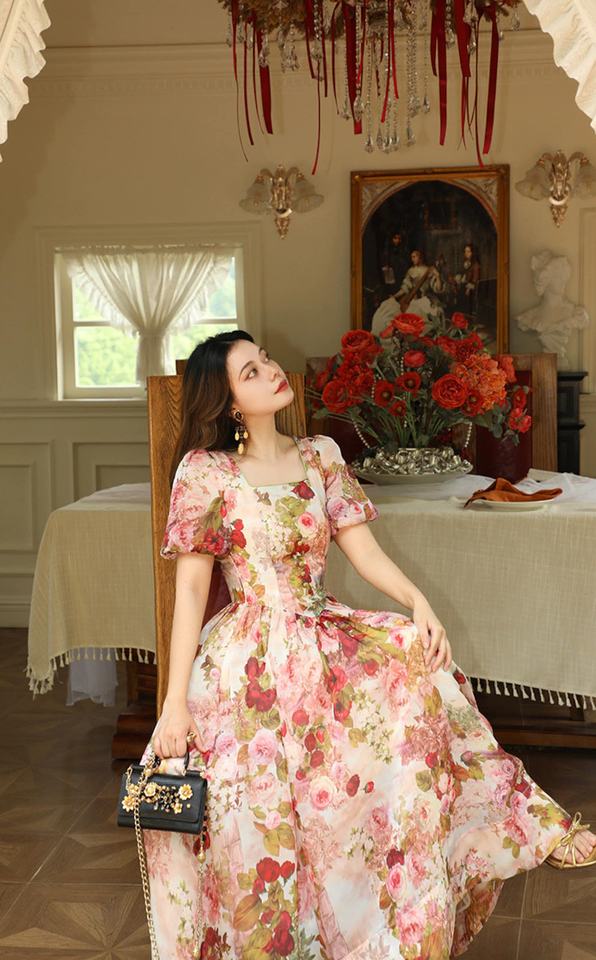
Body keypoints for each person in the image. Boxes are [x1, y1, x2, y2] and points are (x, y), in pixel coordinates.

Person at [139, 330, 596, 960]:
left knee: (419, 669)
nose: (271, 370)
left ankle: (522, 828)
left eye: (265, 358)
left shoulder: (321, 455)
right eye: (251, 372)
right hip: (246, 662)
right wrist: (173, 704)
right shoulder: (205, 471)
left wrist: (418, 602)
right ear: (229, 402)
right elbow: (191, 591)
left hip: (319, 630)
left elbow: (363, 551)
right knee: (263, 816)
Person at [371, 249, 445, 337]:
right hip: (413, 299)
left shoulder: (429, 270)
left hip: (426, 299)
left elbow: (438, 288)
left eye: (414, 257)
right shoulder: (410, 271)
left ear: (420, 257)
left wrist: (437, 276)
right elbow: (405, 288)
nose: (412, 259)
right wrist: (394, 296)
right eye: (411, 257)